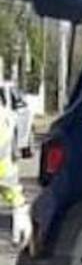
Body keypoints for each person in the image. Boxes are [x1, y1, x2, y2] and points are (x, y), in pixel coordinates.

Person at [1, 102, 30, 249]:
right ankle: (20, 235)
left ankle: (20, 233)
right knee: (17, 201)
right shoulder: (7, 114)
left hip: (3, 166)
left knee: (16, 200)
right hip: (5, 167)